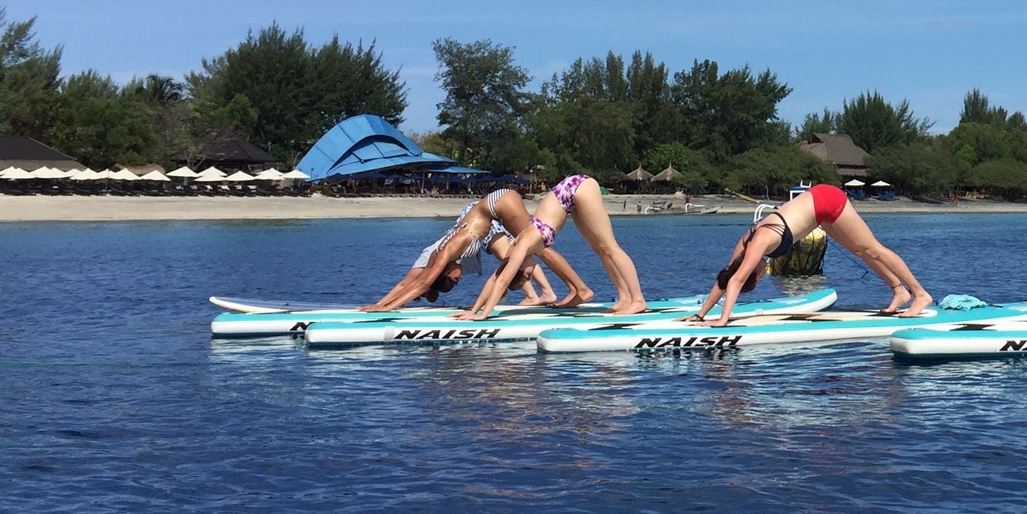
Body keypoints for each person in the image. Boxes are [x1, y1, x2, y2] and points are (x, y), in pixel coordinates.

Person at [695, 182, 932, 326]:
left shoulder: (759, 242)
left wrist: (723, 319)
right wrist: (700, 315)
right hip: (819, 212)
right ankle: (898, 291)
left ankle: (919, 294)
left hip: (826, 200)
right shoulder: (743, 247)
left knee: (872, 248)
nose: (763, 273)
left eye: (758, 277)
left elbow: (736, 280)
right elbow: (727, 277)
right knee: (858, 250)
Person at [455, 175, 648, 320]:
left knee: (609, 246)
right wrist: (474, 311)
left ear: (520, 267)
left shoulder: (520, 248)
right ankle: (624, 297)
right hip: (569, 199)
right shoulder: (513, 252)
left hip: (575, 188)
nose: (533, 273)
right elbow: (495, 279)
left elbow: (503, 280)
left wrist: (482, 315)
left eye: (527, 275)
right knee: (599, 248)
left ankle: (638, 300)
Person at [359, 188, 582, 312]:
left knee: (539, 248)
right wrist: (382, 303)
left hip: (500, 203)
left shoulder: (447, 251)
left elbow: (425, 284)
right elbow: (412, 282)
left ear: (446, 271)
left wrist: (387, 309)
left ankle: (579, 289)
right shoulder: (438, 257)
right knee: (524, 251)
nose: (461, 276)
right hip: (497, 206)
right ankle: (559, 291)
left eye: (455, 280)